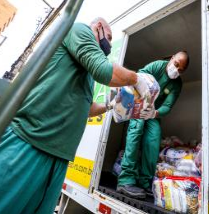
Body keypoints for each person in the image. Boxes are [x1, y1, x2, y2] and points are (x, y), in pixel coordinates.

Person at [0, 17, 150, 214]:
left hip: (58, 157)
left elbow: (87, 109)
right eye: (109, 37)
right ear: (98, 28)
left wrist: (110, 105)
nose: (109, 44)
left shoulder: (85, 73)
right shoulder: (80, 30)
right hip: (30, 143)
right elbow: (105, 71)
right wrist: (137, 79)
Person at [117, 51, 189, 199]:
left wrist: (154, 113)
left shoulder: (177, 84)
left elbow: (168, 106)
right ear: (172, 57)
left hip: (153, 112)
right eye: (176, 64)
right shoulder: (158, 66)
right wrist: (145, 97)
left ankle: (145, 183)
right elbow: (139, 76)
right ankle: (125, 180)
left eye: (181, 70)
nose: (176, 70)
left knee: (153, 140)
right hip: (139, 103)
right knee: (136, 131)